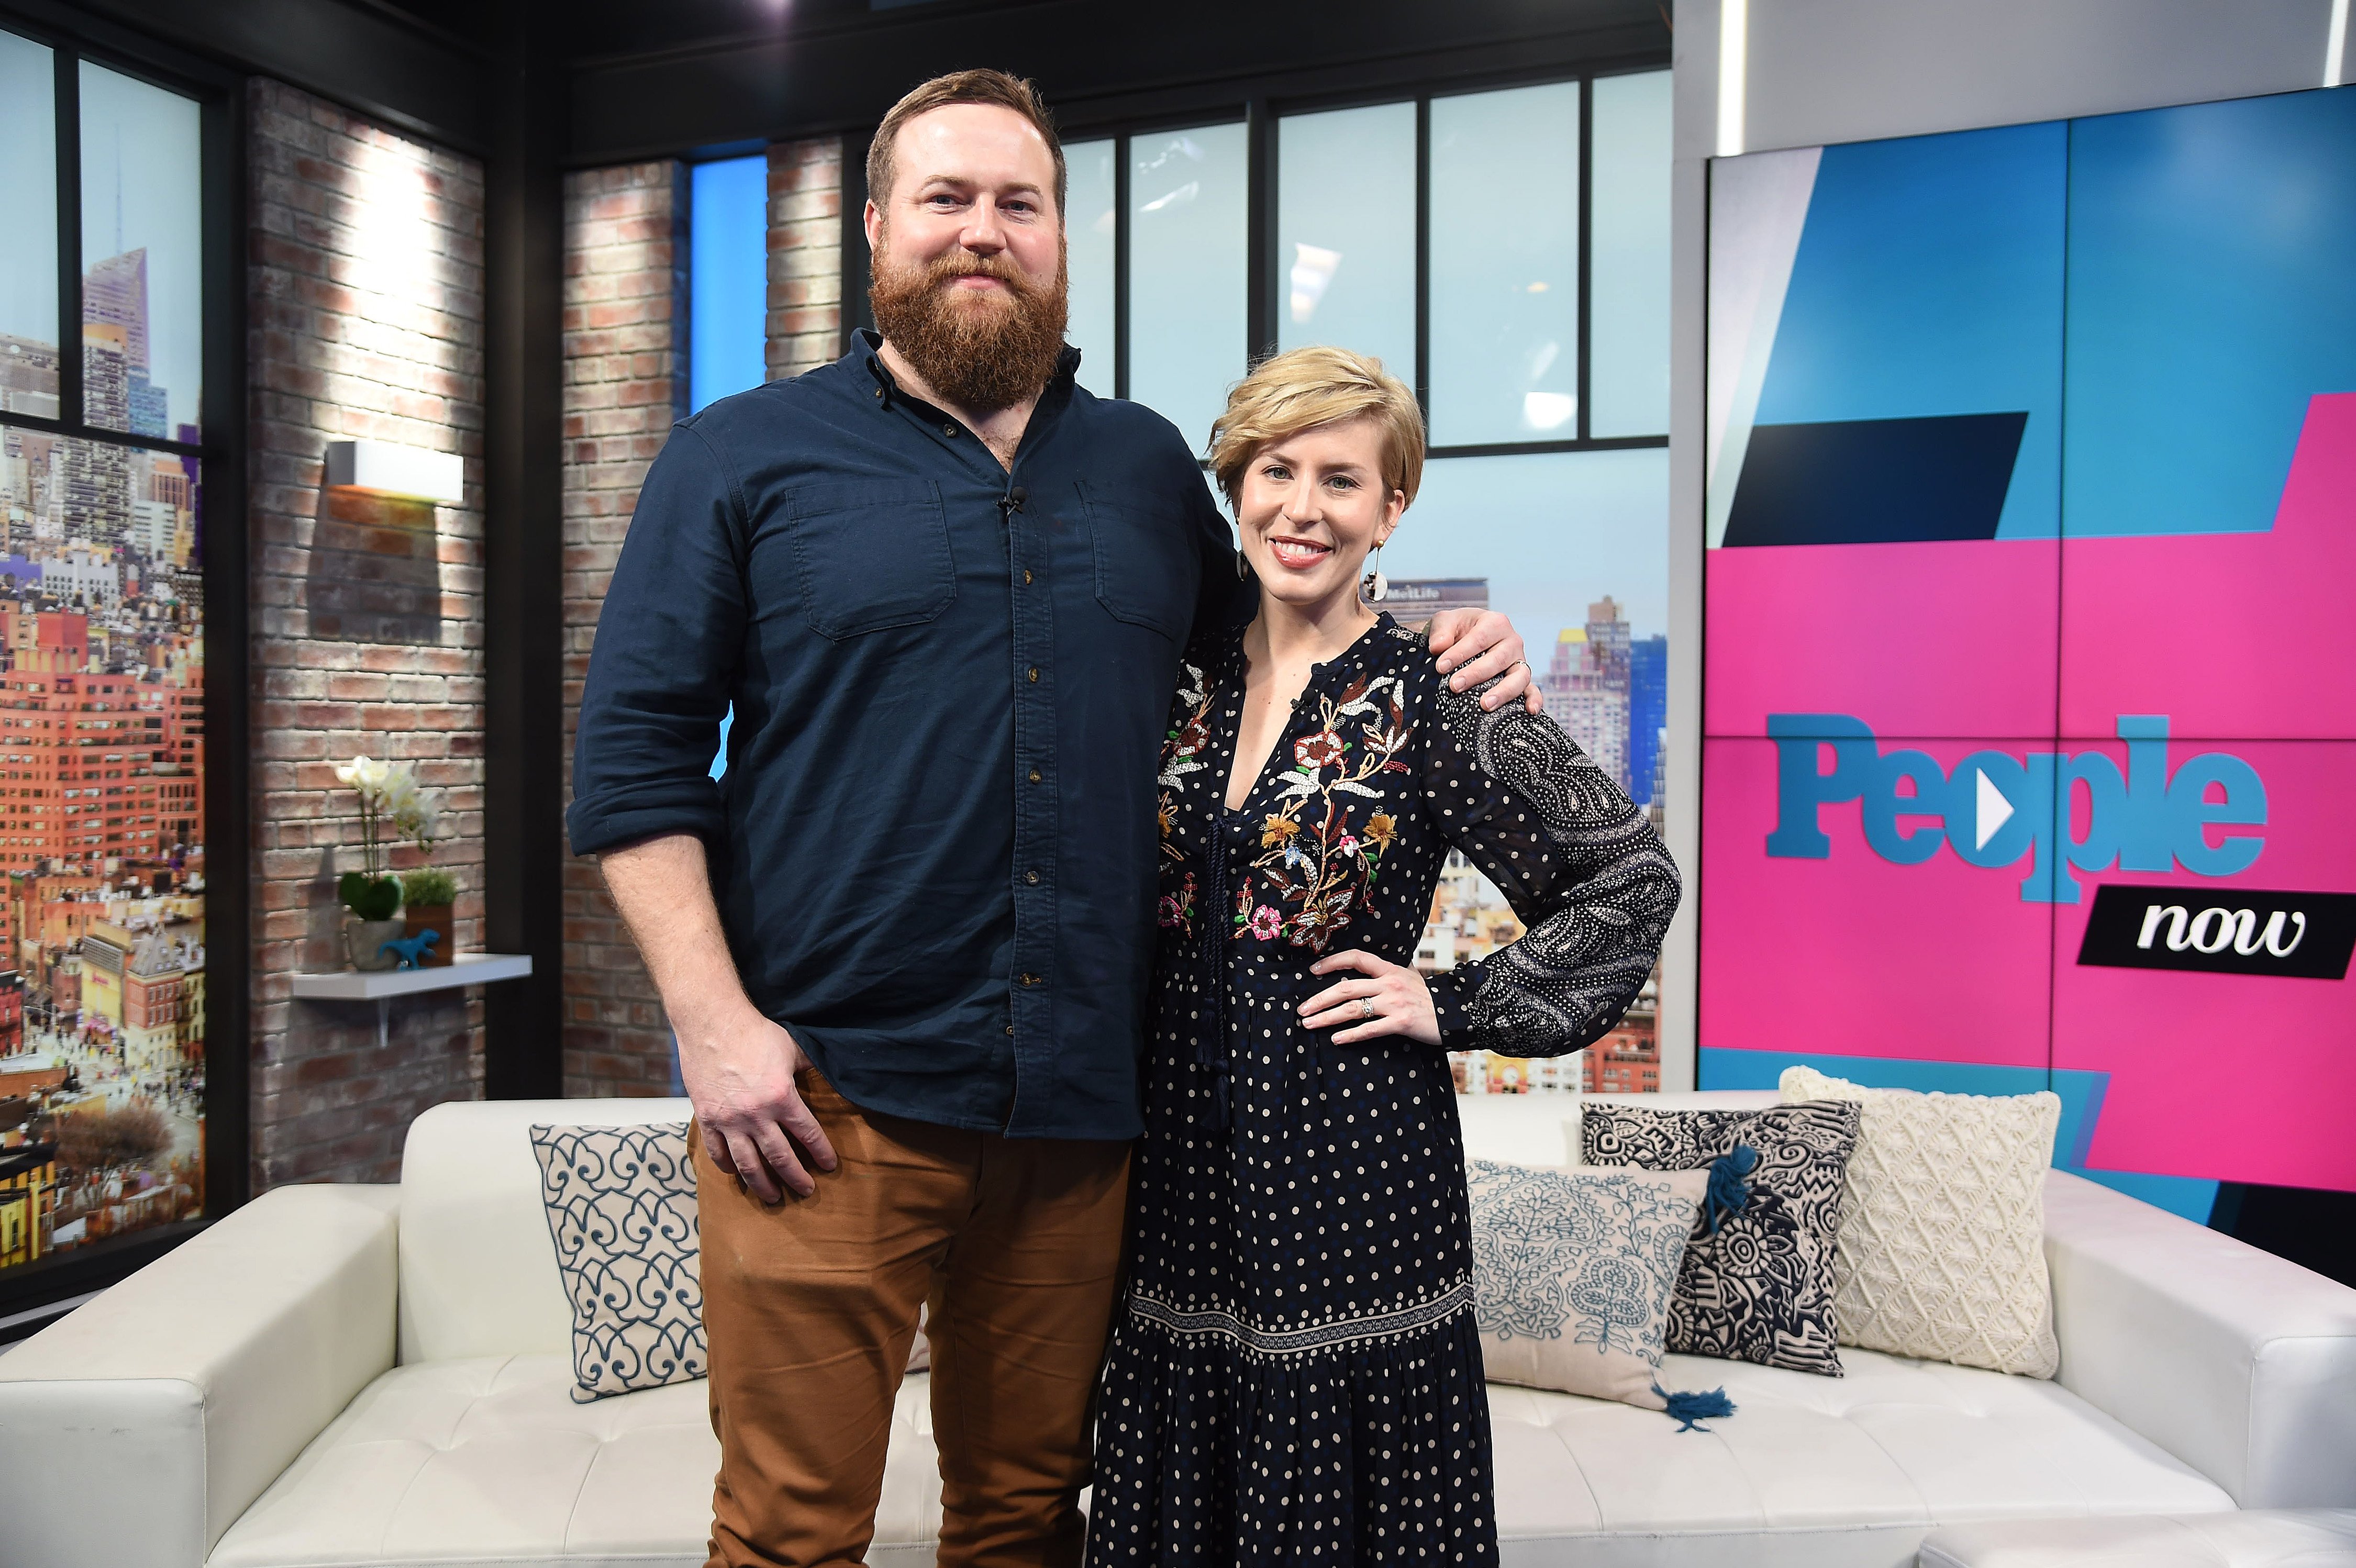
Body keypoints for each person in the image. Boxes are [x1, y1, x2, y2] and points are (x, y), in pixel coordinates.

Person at [565, 72, 1540, 1568]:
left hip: (1084, 1121)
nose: (981, 231)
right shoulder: (741, 457)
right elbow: (632, 760)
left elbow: (1274, 668)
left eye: (1016, 203)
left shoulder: (1148, 469)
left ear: (1058, 237)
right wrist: (710, 1023)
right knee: (788, 1533)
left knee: (1024, 1523)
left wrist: (1450, 643)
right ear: (878, 225)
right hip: (823, 1105)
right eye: (946, 199)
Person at [1085, 346, 1681, 1565]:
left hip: (1351, 1161)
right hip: (1175, 1164)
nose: (1304, 507)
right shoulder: (1172, 677)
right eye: (1276, 470)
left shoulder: (1438, 691)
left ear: (1391, 506)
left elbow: (1632, 878)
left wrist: (1450, 999)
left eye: (1342, 481)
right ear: (1235, 483)